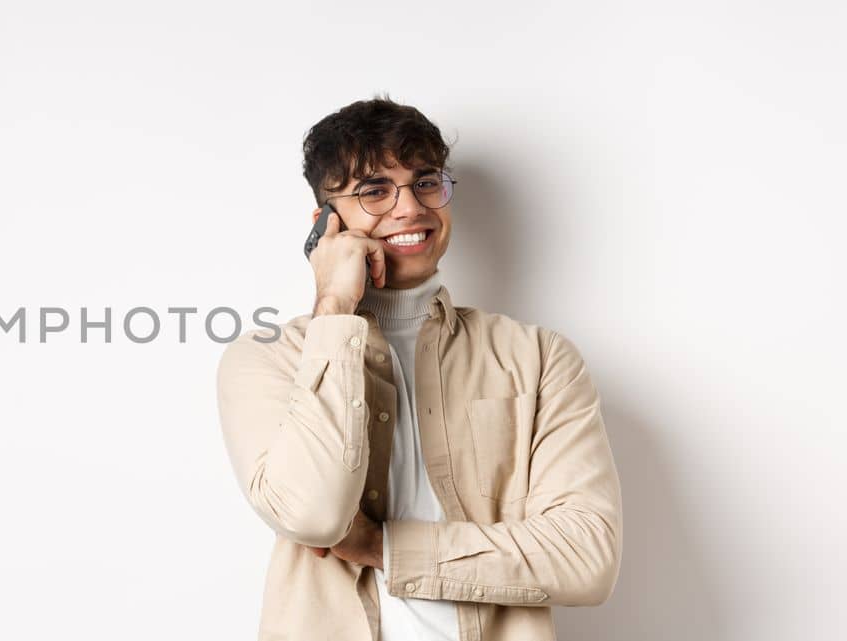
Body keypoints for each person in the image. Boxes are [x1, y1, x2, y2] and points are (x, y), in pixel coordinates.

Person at [215, 96, 622, 641]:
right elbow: (313, 516)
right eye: (374, 190)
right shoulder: (266, 358)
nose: (409, 208)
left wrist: (382, 548)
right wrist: (333, 306)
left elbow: (585, 559)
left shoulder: (540, 358)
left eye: (425, 181)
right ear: (324, 225)